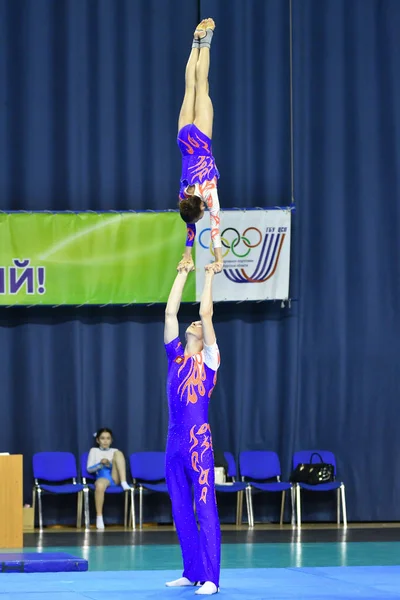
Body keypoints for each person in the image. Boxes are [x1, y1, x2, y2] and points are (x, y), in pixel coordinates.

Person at [164, 261, 221, 595]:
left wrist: (209, 276)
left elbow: (206, 311)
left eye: (198, 324)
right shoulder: (176, 357)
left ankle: (212, 577)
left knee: (205, 507)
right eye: (194, 323)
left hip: (198, 443)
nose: (195, 322)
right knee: (180, 508)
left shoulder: (210, 360)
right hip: (173, 441)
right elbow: (170, 314)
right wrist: (182, 274)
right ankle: (192, 571)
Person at [177, 18, 223, 274]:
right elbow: (189, 226)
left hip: (200, 142)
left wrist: (219, 259)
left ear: (201, 206)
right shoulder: (183, 197)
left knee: (202, 87)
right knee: (188, 89)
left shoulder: (208, 195)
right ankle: (195, 42)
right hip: (184, 141)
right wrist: (187, 256)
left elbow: (214, 228)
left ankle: (206, 42)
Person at [87, 428, 131, 530]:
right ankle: (99, 517)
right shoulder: (94, 451)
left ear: (111, 440)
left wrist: (109, 464)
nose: (105, 441)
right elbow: (89, 469)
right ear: (98, 440)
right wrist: (101, 464)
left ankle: (124, 482)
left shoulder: (114, 451)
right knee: (99, 485)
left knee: (118, 453)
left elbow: (118, 465)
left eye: (108, 438)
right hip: (102, 477)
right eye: (102, 438)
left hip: (115, 476)